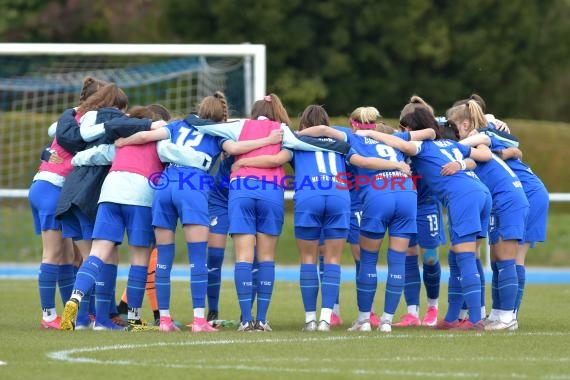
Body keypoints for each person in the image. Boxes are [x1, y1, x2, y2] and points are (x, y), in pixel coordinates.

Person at [110, 91, 283, 333]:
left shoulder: (179, 124)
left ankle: (165, 320)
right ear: (221, 116)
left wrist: (124, 142)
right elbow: (236, 146)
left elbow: (146, 135)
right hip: (192, 186)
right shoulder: (216, 132)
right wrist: (267, 141)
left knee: (163, 258)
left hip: (165, 184)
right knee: (198, 258)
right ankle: (200, 320)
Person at [389, 103, 493, 330]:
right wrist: (462, 162)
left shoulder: (420, 147)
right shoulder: (449, 143)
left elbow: (397, 142)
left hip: (462, 197)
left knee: (465, 259)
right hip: (481, 193)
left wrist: (367, 132)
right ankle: (451, 317)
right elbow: (484, 154)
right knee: (459, 257)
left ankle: (475, 320)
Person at [29, 76, 107, 329]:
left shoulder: (72, 118)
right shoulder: (86, 122)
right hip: (52, 188)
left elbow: (54, 133)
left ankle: (68, 314)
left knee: (67, 256)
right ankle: (49, 316)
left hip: (43, 186)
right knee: (53, 254)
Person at [445, 100, 530, 331]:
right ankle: (499, 314)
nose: (452, 133)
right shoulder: (475, 142)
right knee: (496, 261)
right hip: (501, 202)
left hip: (509, 201)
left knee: (505, 260)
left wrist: (456, 146)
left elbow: (481, 142)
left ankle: (508, 317)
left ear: (464, 124)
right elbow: (474, 159)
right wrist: (460, 162)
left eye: (454, 127)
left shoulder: (480, 136)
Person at [393, 96, 446, 328]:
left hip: (426, 205)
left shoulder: (434, 138)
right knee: (408, 257)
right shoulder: (397, 140)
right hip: (405, 205)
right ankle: (411, 311)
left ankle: (433, 306)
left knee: (431, 258)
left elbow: (460, 121)